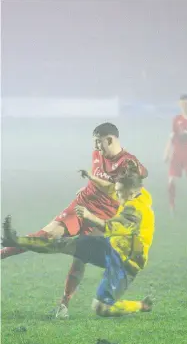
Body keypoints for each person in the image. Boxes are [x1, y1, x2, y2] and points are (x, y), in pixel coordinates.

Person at [1, 122, 148, 318]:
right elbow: (98, 179)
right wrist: (88, 186)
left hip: (100, 218)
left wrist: (135, 168)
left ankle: (63, 306)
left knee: (80, 259)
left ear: (110, 139)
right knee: (47, 235)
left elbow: (138, 175)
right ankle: (4, 251)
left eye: (99, 142)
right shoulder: (98, 155)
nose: (96, 147)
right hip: (81, 206)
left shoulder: (127, 162)